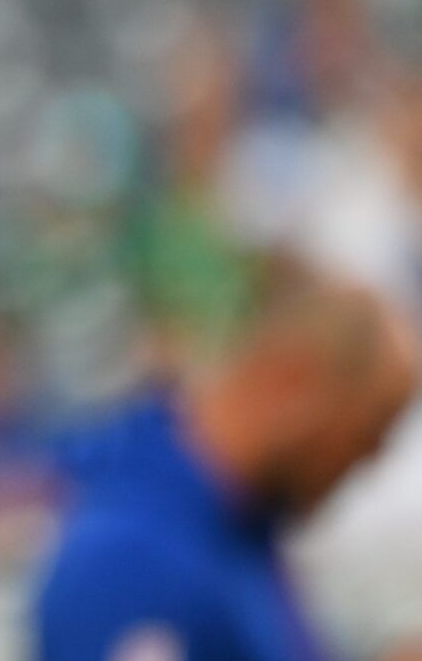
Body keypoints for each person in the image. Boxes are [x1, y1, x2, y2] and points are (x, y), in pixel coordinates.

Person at [33, 253, 420, 661]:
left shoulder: (242, 533)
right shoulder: (132, 559)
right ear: (293, 382)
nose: (370, 459)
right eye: (371, 430)